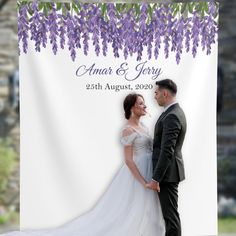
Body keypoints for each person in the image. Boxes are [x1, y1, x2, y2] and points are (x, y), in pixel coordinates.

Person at [2, 93, 165, 236]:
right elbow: (129, 160)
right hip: (138, 172)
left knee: (149, 207)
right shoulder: (128, 130)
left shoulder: (143, 127)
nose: (145, 106)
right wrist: (143, 182)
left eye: (144, 103)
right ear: (131, 108)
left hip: (150, 169)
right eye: (140, 103)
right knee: (132, 208)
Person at [146, 79, 187, 236]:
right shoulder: (173, 112)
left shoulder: (172, 115)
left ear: (164, 93)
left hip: (167, 175)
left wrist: (156, 179)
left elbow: (166, 151)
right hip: (168, 172)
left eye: (156, 93)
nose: (154, 97)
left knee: (170, 218)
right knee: (170, 216)